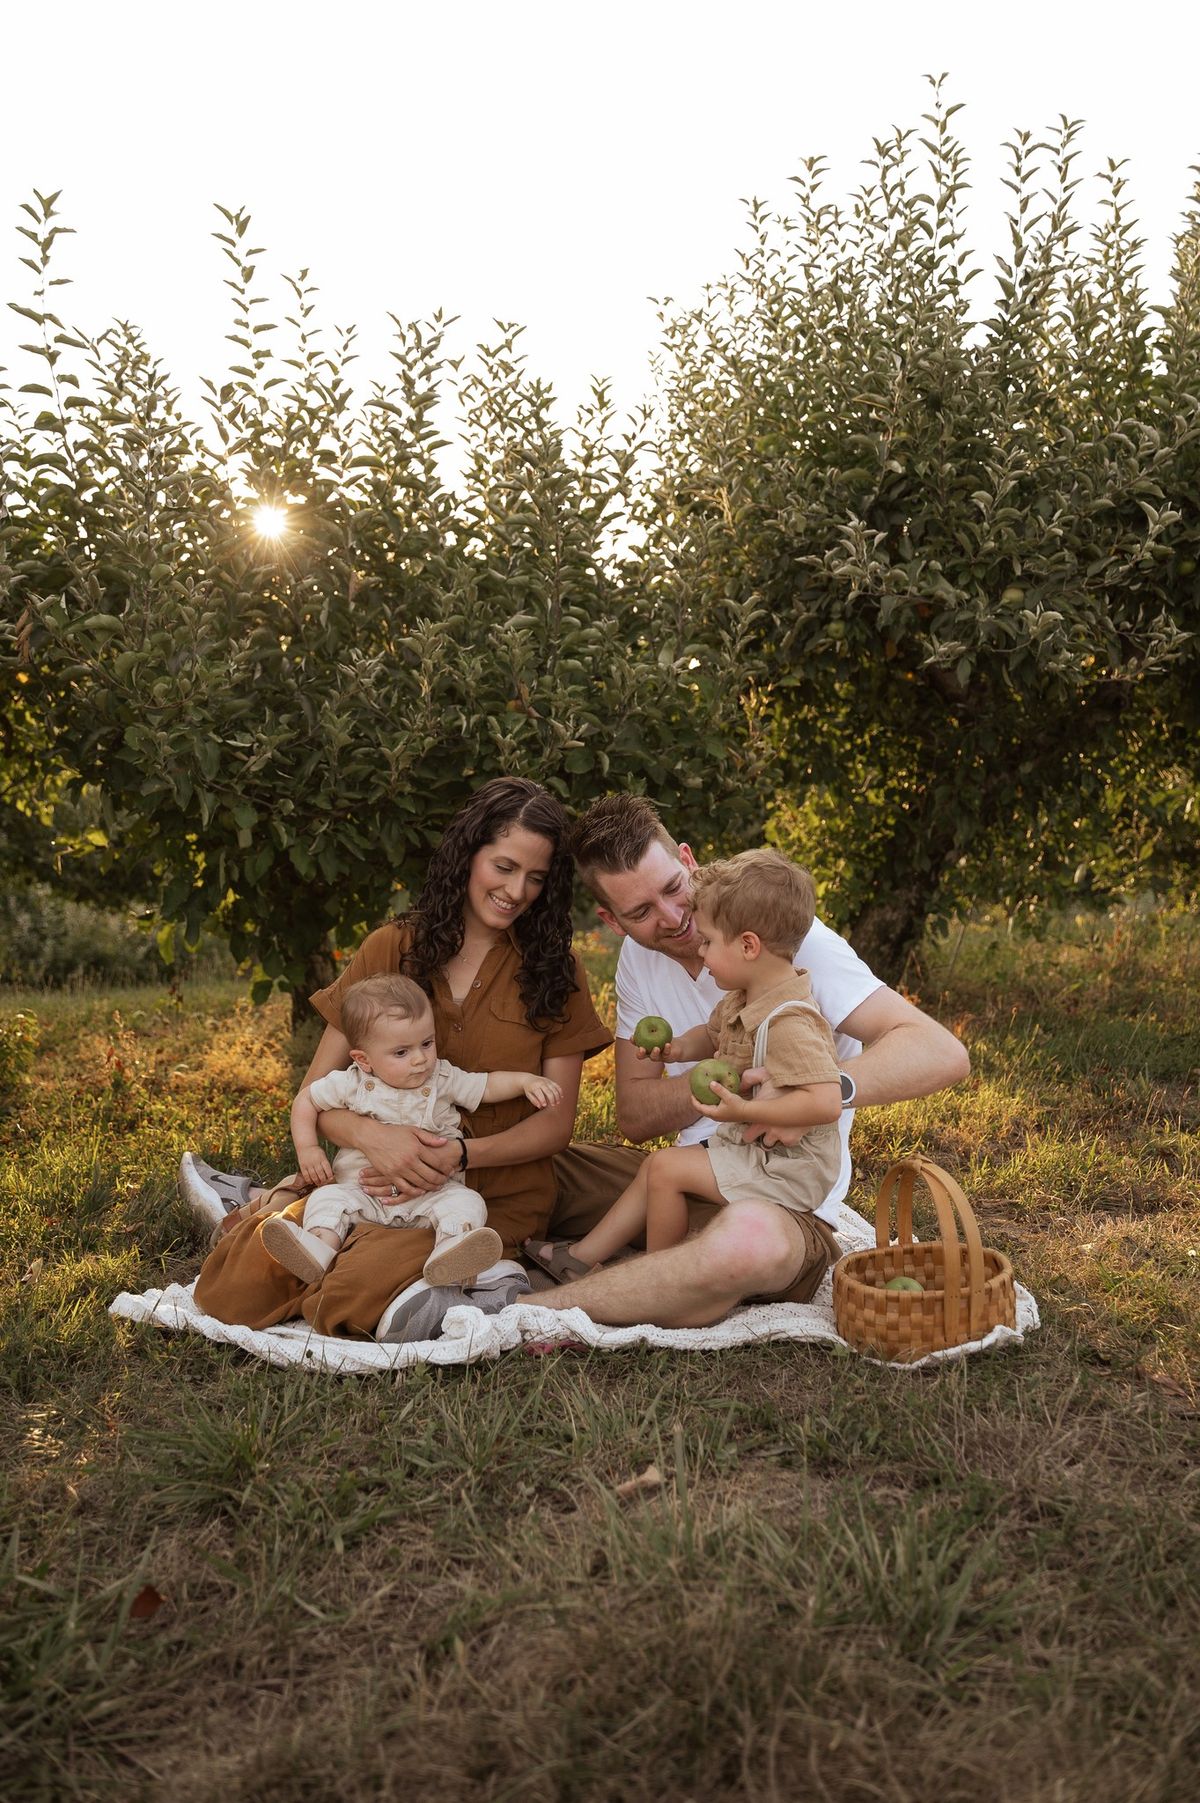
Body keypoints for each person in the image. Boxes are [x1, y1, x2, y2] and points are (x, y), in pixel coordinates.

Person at [183, 777, 612, 1340]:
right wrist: (375, 1138)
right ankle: (283, 1212)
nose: (517, 890)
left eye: (536, 878)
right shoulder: (391, 948)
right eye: (503, 867)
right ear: (469, 854)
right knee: (230, 1292)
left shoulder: (558, 971)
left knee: (350, 1300)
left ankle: (477, 1268)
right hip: (370, 1183)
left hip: (485, 1198)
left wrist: (458, 1156)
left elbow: (557, 1124)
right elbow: (317, 1093)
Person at [525, 850, 843, 1277]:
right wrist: (675, 1049)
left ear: (748, 945)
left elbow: (825, 1103)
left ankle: (659, 1276)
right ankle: (582, 1259)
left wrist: (745, 1110)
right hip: (748, 1151)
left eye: (709, 942)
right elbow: (710, 1036)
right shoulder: (743, 998)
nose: (701, 950)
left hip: (788, 1170)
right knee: (659, 1167)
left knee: (667, 1171)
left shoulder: (790, 1020)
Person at [262, 972, 563, 1287]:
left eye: (427, 1043)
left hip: (431, 1194)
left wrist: (526, 1081)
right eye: (401, 1052)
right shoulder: (352, 1083)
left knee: (467, 1203)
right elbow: (306, 1100)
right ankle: (319, 1249)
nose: (420, 1059)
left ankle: (450, 1254)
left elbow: (486, 1086)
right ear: (364, 1060)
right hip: (363, 1194)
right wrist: (307, 1149)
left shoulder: (441, 1078)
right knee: (326, 1199)